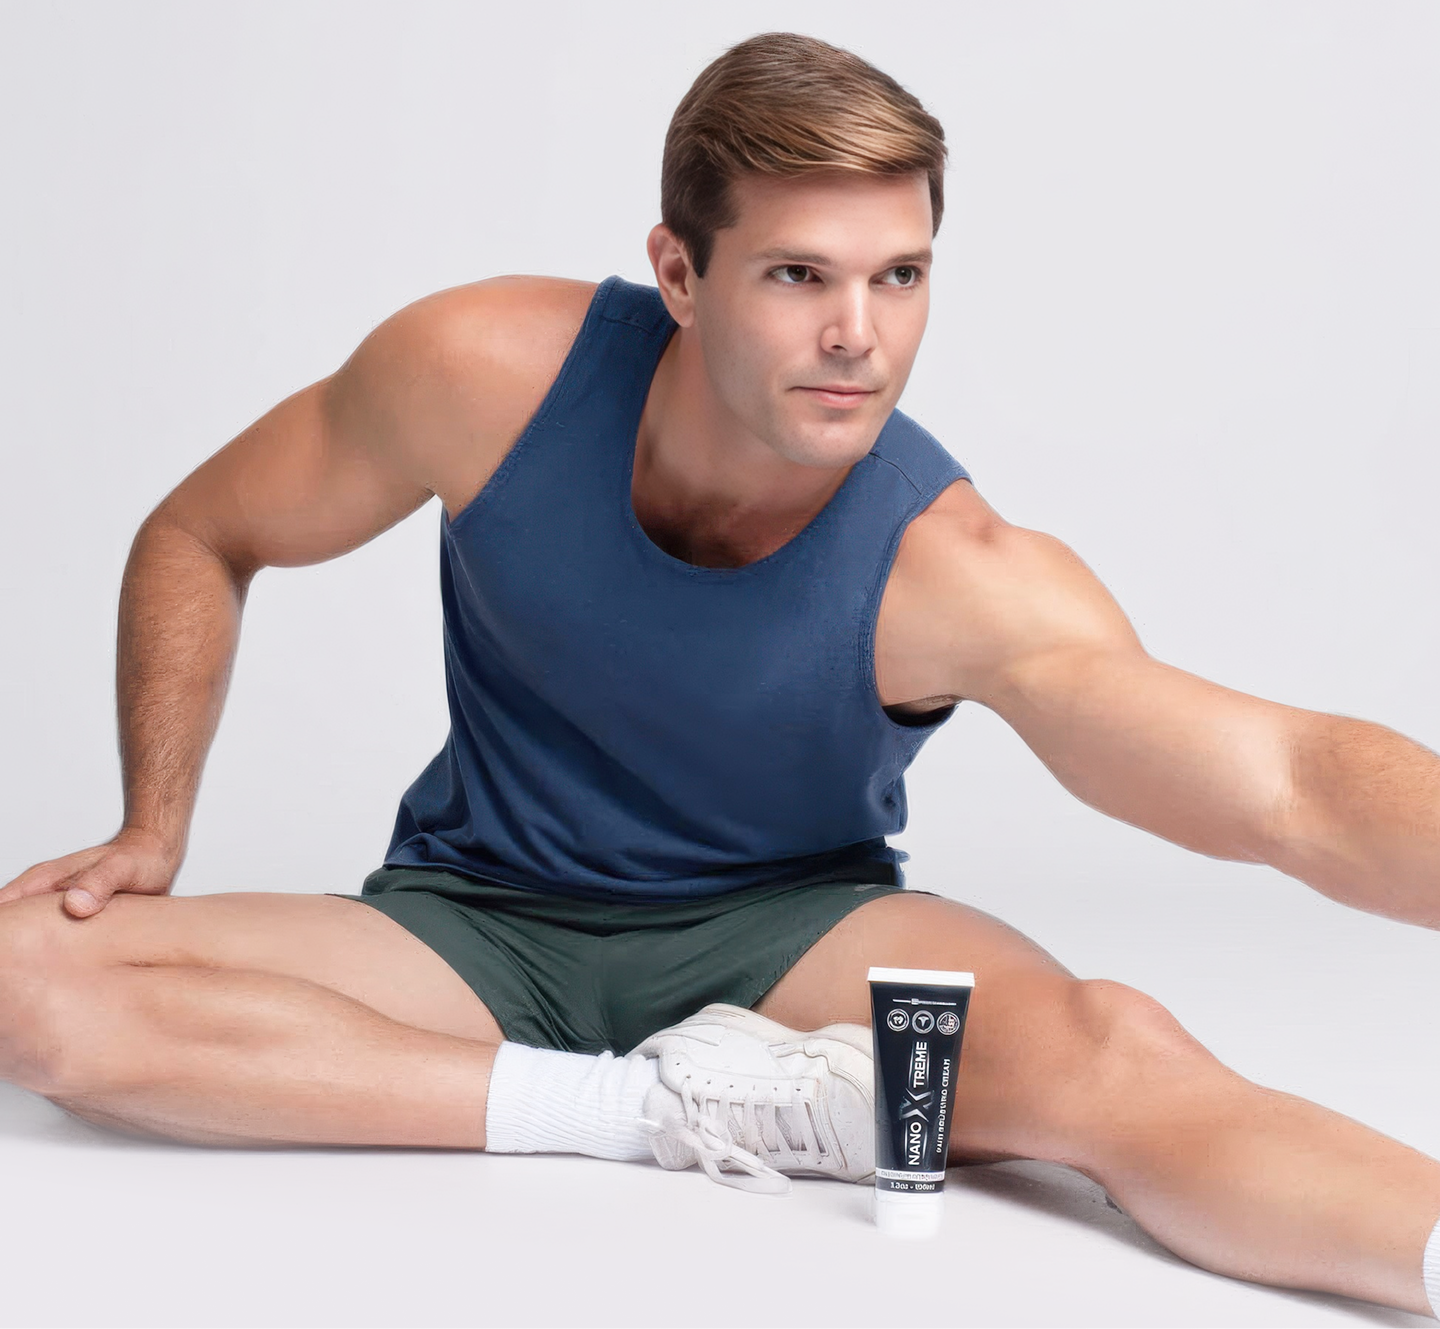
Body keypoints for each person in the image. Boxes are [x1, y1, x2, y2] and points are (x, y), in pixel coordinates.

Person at [2, 29, 1438, 1315]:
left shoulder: (958, 572)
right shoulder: (484, 378)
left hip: (790, 947)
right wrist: (154, 826)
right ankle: (645, 1111)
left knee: (1122, 1062)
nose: (856, 338)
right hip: (474, 923)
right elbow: (204, 530)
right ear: (680, 272)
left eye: (900, 277)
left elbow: (1293, 789)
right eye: (799, 274)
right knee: (23, 979)